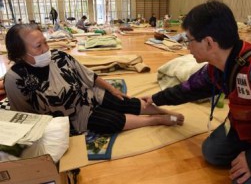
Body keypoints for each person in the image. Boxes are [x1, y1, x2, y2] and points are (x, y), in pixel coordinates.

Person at [142, 0, 251, 184]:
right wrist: (154, 99)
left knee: (242, 180)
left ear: (209, 42)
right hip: (249, 128)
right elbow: (189, 88)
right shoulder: (217, 67)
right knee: (213, 152)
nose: (188, 47)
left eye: (189, 40)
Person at [3, 24, 184, 136]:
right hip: (75, 117)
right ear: (20, 52)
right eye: (38, 46)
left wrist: (113, 90)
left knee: (124, 102)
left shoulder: (59, 56)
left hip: (90, 95)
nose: (46, 49)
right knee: (112, 122)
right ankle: (156, 120)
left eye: (45, 42)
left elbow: (89, 75)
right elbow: (25, 117)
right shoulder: (15, 79)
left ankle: (162, 111)